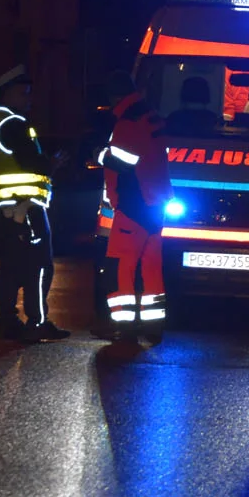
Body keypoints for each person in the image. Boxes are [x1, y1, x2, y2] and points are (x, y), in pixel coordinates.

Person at [0, 64, 71, 343]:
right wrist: (53, 164)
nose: (28, 100)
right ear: (7, 94)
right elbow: (34, 164)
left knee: (11, 265)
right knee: (39, 265)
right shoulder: (13, 124)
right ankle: (37, 322)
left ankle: (7, 323)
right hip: (24, 208)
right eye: (24, 94)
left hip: (7, 209)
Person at [96, 71, 174, 342]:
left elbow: (119, 163)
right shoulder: (150, 115)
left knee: (120, 265)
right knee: (151, 264)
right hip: (155, 203)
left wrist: (100, 154)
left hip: (134, 205)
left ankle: (123, 325)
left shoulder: (128, 122)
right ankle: (153, 326)